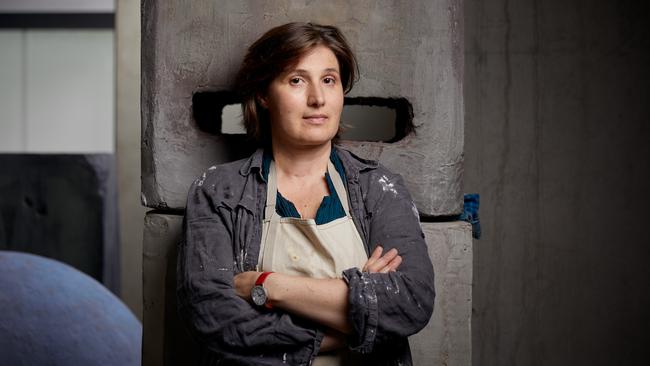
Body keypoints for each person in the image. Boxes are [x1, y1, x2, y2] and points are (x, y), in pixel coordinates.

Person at [177, 22, 435, 366]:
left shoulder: (379, 188)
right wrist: (350, 322)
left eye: (329, 80)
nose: (317, 98)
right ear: (264, 95)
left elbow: (410, 302)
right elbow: (214, 317)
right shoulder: (218, 191)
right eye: (296, 80)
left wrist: (269, 287)